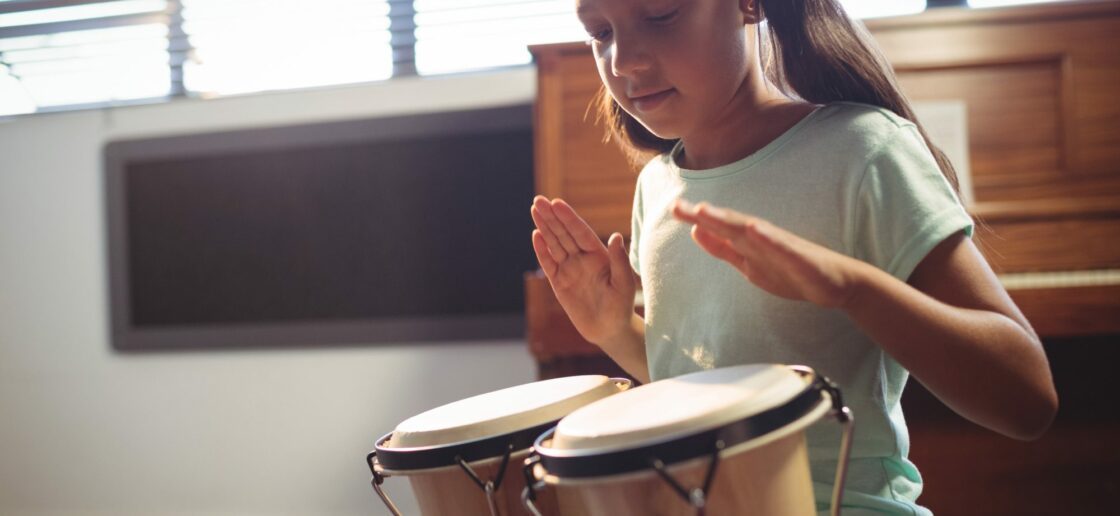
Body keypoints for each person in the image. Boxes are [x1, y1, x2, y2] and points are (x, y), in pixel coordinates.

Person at [529, 0, 1059, 514]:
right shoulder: (656, 186)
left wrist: (850, 288)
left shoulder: (862, 150)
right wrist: (614, 330)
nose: (623, 61)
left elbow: (1028, 399)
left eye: (661, 16)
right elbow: (715, 391)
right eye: (601, 33)